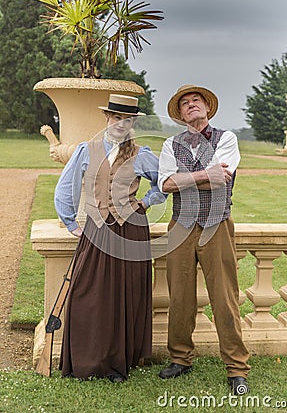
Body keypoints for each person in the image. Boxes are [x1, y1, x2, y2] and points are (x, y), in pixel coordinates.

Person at [54, 94, 166, 382]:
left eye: (127, 120)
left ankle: (118, 363)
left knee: (125, 296)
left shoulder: (141, 154)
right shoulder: (87, 149)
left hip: (131, 229)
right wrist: (71, 223)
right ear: (107, 119)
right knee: (87, 293)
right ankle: (86, 360)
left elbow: (164, 181)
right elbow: (66, 187)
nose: (120, 123)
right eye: (116, 118)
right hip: (98, 228)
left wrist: (147, 200)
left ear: (132, 124)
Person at [157, 85, 250, 395]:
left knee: (224, 296)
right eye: (185, 103)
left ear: (207, 107)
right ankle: (180, 359)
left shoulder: (226, 139)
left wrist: (187, 179)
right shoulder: (171, 144)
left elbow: (222, 178)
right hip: (181, 226)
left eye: (196, 100)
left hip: (216, 224)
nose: (191, 105)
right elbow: (167, 184)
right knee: (179, 296)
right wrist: (202, 176)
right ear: (180, 114)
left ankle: (236, 368)